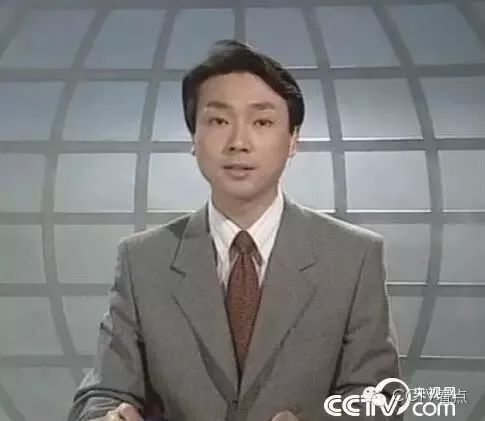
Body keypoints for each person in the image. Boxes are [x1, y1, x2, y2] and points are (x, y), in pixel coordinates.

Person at [68, 39, 402, 421]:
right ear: (193, 138)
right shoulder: (142, 260)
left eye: (262, 122)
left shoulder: (352, 257)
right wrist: (107, 417)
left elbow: (380, 400)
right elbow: (102, 394)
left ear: (293, 139)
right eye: (218, 121)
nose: (239, 143)